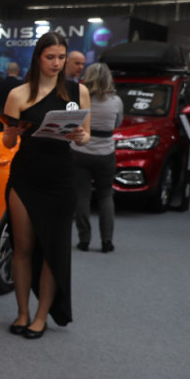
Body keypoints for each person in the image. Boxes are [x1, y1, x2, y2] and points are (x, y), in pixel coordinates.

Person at [1, 31, 90, 339]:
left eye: (61, 57)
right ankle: (22, 312)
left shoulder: (78, 92)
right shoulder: (18, 94)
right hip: (25, 176)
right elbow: (7, 142)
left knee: (54, 248)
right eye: (50, 57)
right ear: (38, 58)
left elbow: (86, 136)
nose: (56, 63)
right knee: (22, 247)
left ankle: (41, 316)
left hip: (60, 178)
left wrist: (81, 136)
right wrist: (10, 134)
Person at [71, 63, 123, 253]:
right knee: (106, 195)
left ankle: (84, 240)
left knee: (82, 195)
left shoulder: (80, 99)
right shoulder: (116, 101)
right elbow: (117, 123)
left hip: (80, 151)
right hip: (105, 154)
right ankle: (107, 241)